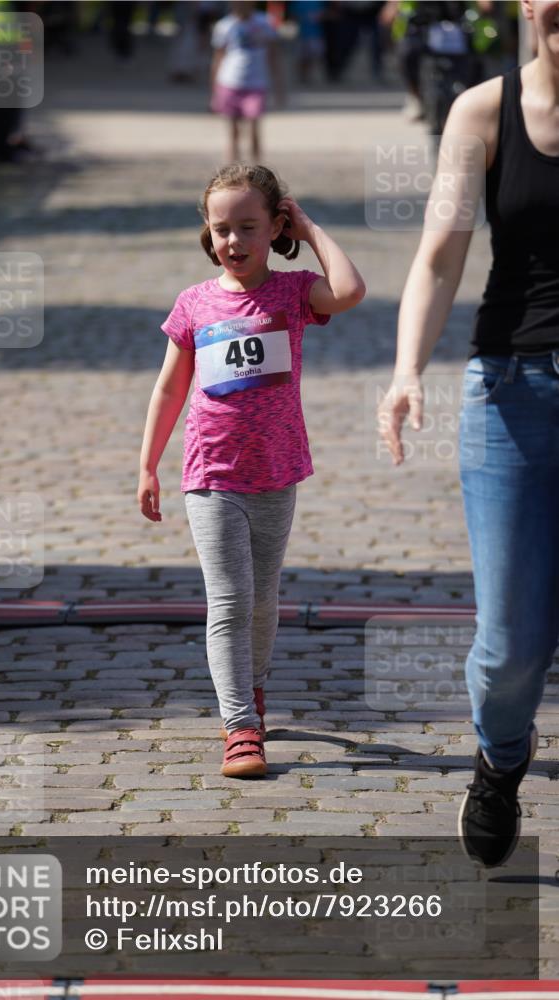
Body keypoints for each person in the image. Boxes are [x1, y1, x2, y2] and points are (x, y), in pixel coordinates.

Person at [377, 0, 558, 867]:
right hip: (512, 395)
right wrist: (408, 368)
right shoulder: (480, 111)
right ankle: (499, 757)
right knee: (512, 644)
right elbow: (441, 250)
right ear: (525, 5)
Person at [137, 164, 365, 779]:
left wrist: (311, 228)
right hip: (210, 474)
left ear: (274, 228)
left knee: (264, 602)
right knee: (231, 601)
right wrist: (148, 465)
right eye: (221, 229)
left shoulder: (293, 294)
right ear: (207, 235)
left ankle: (254, 689)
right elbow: (168, 389)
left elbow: (349, 292)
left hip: (276, 473)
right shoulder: (194, 304)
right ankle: (239, 726)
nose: (233, 241)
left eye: (248, 227)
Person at [210, 1, 284, 163]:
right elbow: (218, 57)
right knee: (233, 131)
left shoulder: (264, 22)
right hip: (230, 81)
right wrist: (214, 90)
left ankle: (257, 169)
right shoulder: (225, 26)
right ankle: (231, 169)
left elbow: (273, 56)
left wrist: (279, 86)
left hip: (256, 82)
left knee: (253, 127)